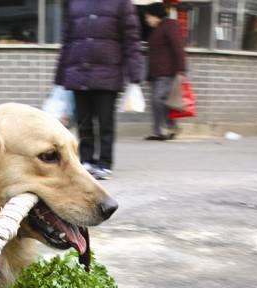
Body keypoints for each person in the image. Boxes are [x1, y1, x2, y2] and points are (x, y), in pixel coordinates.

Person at [55, 0, 143, 179]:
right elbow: (67, 41)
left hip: (107, 74)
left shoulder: (121, 3)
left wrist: (135, 77)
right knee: (83, 122)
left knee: (105, 123)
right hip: (79, 73)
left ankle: (104, 163)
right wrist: (60, 76)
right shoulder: (75, 3)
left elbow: (131, 40)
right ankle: (86, 161)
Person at [144, 2, 187, 141]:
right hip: (156, 74)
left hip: (167, 72)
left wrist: (181, 69)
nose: (146, 19)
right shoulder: (156, 29)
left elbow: (178, 47)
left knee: (158, 100)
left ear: (155, 16)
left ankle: (161, 130)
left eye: (148, 16)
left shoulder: (169, 25)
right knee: (163, 102)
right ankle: (169, 127)